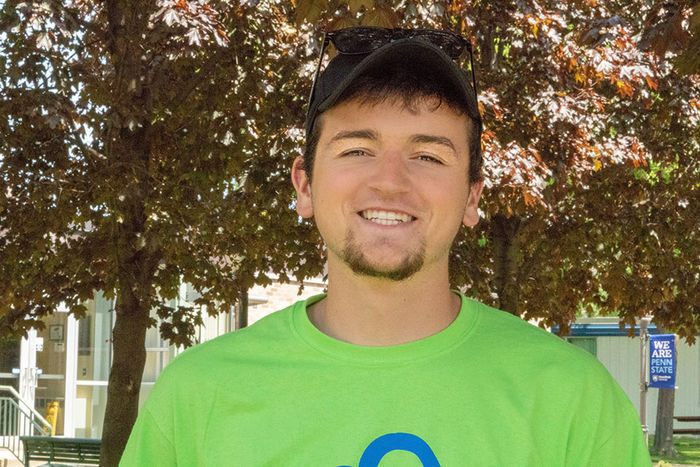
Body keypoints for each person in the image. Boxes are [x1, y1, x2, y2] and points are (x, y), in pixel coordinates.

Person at [120, 27, 651, 466]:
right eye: (357, 149)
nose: (391, 182)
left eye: (428, 156)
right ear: (304, 185)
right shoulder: (197, 396)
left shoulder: (573, 400)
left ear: (472, 196)